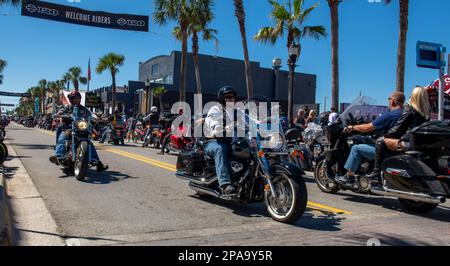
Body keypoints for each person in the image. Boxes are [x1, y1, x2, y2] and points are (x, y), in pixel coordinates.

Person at [335, 91, 405, 187]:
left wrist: (352, 127)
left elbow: (368, 127)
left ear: (393, 101)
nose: (388, 101)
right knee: (368, 141)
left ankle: (349, 177)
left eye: (389, 99)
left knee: (356, 148)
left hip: (386, 150)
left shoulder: (390, 114)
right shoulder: (404, 114)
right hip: (398, 148)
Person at [367, 87, 430, 183]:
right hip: (419, 143)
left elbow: (396, 130)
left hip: (408, 143)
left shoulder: (410, 110)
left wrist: (385, 136)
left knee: (380, 142)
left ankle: (376, 173)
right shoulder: (425, 112)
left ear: (414, 96)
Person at [49, 91, 108, 172]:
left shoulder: (84, 109)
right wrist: (58, 114)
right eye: (73, 98)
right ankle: (58, 155)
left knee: (89, 143)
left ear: (80, 98)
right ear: (70, 99)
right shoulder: (67, 107)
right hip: (68, 127)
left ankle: (98, 163)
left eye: (77, 98)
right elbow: (60, 112)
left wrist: (98, 118)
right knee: (63, 137)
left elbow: (91, 115)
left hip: (80, 128)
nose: (75, 99)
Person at [204, 86, 238, 195]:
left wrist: (263, 123)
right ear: (222, 99)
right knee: (220, 148)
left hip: (230, 142)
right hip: (213, 142)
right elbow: (214, 123)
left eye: (233, 97)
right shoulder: (216, 109)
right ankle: (225, 184)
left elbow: (250, 120)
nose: (231, 99)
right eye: (228, 97)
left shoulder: (237, 112)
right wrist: (219, 129)